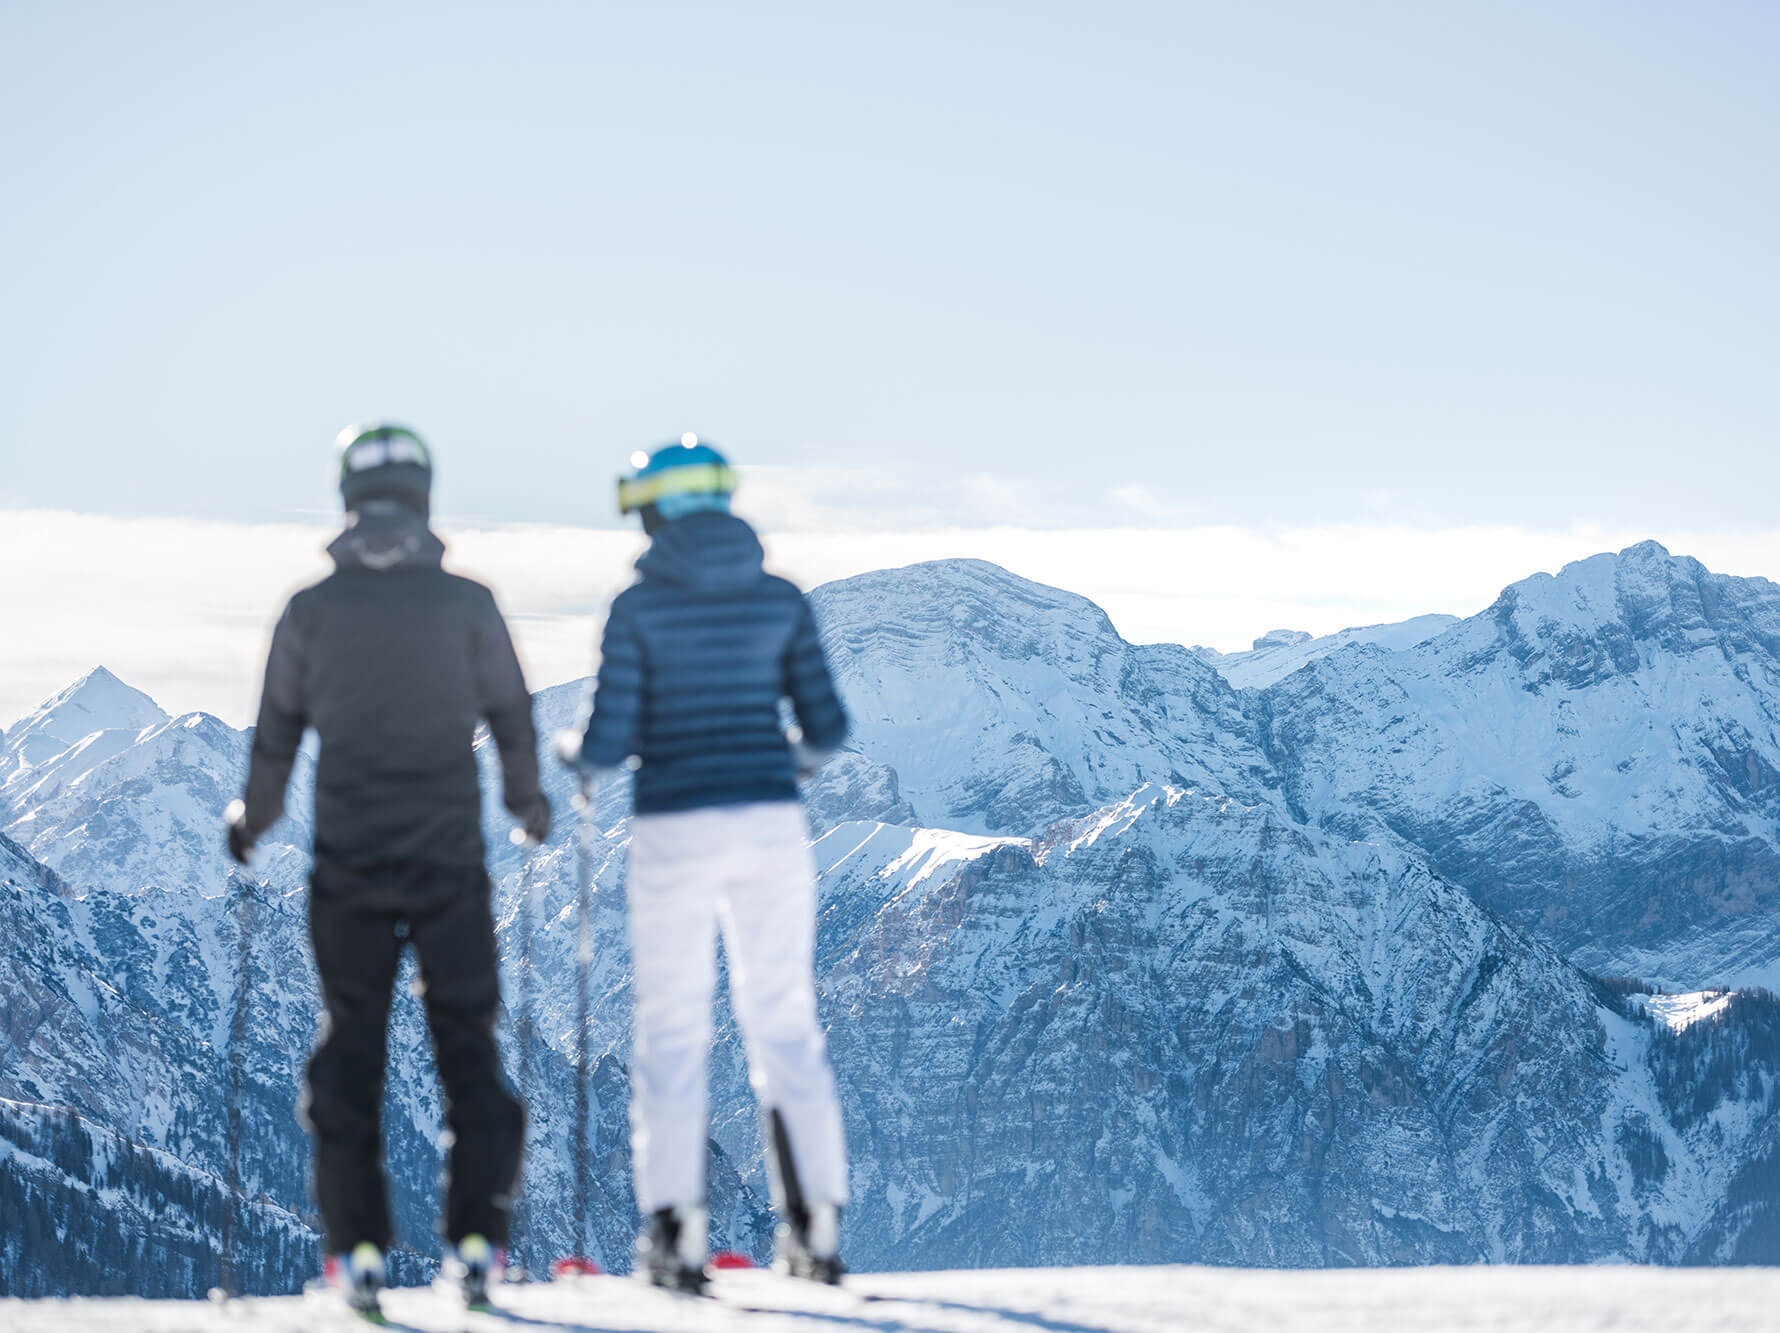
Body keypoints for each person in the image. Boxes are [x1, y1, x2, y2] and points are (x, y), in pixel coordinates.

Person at [225, 423, 549, 1317]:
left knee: (351, 1054)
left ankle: (358, 1250)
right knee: (468, 1049)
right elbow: (514, 717)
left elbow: (276, 735)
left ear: (346, 499)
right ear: (425, 497)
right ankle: (478, 1240)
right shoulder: (470, 604)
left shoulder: (309, 611)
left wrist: (251, 822)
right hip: (450, 863)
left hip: (349, 867)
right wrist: (530, 807)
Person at [560, 434, 851, 1291]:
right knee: (783, 1020)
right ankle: (817, 1228)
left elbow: (608, 742)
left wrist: (573, 751)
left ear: (653, 508)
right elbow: (828, 728)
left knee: (673, 1028)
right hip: (769, 823)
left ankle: (676, 1239)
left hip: (674, 827)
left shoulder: (637, 608)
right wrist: (774, 766)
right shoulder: (781, 600)